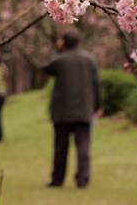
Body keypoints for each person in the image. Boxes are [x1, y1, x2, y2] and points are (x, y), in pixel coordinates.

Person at [44, 31, 101, 189]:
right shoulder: (90, 59)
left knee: (60, 148)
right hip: (84, 110)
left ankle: (57, 179)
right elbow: (97, 84)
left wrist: (57, 50)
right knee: (83, 147)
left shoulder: (59, 60)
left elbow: (46, 68)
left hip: (62, 112)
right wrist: (97, 106)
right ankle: (82, 179)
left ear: (63, 43)